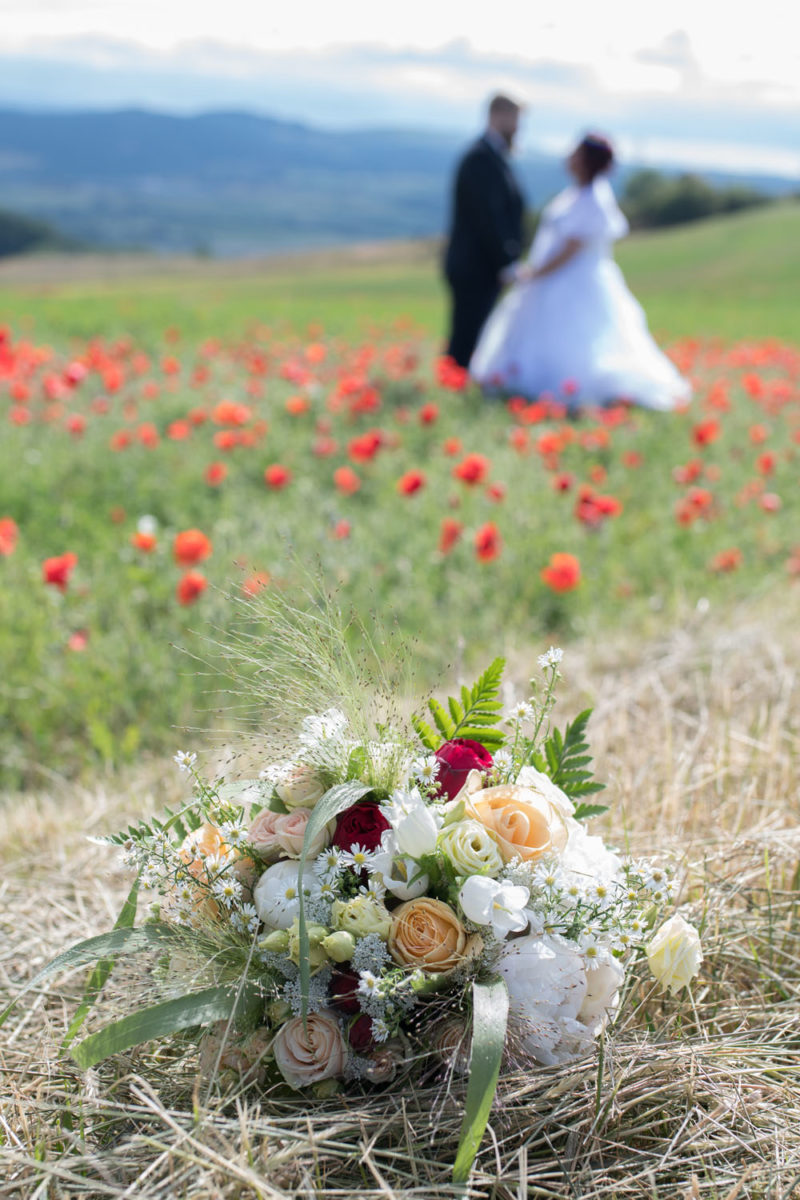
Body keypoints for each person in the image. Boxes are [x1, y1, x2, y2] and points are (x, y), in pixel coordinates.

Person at [469, 133, 691, 410]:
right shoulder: (577, 193)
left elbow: (570, 250)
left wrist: (534, 273)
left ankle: (573, 390)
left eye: (575, 153)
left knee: (575, 335)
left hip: (573, 281)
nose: (569, 157)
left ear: (586, 160)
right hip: (557, 279)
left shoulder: (593, 200)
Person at [443, 94, 526, 369]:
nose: (518, 127)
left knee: (475, 335)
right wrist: (506, 260)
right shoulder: (480, 158)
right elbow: (487, 218)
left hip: (482, 266)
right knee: (467, 336)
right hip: (474, 266)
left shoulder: (493, 156)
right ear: (497, 116)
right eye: (515, 119)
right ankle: (454, 389)